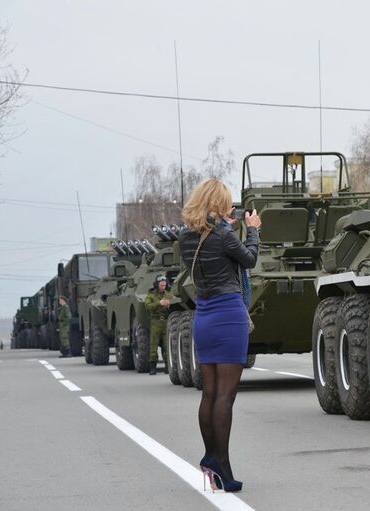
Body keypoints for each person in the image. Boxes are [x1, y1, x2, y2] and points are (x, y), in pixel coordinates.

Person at [178, 178, 261, 492]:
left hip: (204, 316)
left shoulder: (185, 238)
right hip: (228, 315)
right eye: (228, 204)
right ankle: (221, 466)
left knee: (209, 394)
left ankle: (212, 458)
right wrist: (252, 229)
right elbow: (249, 259)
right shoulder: (225, 235)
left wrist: (225, 225)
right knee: (226, 396)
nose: (233, 209)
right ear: (217, 204)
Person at [144, 275, 174, 375]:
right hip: (155, 322)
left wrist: (170, 302)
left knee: (166, 345)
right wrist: (159, 303)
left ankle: (167, 366)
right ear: (157, 285)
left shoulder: (168, 294)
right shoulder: (151, 295)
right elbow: (148, 306)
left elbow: (175, 301)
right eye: (161, 285)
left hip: (166, 321)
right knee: (154, 345)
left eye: (165, 285)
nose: (163, 287)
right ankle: (153, 367)